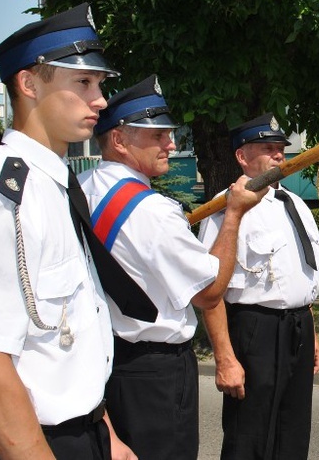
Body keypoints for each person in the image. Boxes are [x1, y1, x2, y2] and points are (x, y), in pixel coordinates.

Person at [0, 3, 137, 459]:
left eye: (100, 84)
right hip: (33, 441)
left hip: (85, 431)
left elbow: (69, 338)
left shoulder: (55, 184)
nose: (101, 100)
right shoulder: (5, 196)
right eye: (83, 83)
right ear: (28, 84)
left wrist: (107, 434)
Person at [78, 74, 266, 460]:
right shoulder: (153, 211)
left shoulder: (80, 185)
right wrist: (232, 216)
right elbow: (209, 292)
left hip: (104, 361)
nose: (171, 144)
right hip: (155, 375)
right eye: (158, 136)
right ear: (118, 140)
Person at [198, 113, 319, 459]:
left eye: (281, 148)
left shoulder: (295, 203)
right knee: (249, 437)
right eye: (267, 148)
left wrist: (311, 332)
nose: (279, 155)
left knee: (293, 431)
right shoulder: (226, 206)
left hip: (299, 325)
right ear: (242, 157)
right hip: (255, 329)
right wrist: (225, 359)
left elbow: (300, 271)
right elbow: (210, 290)